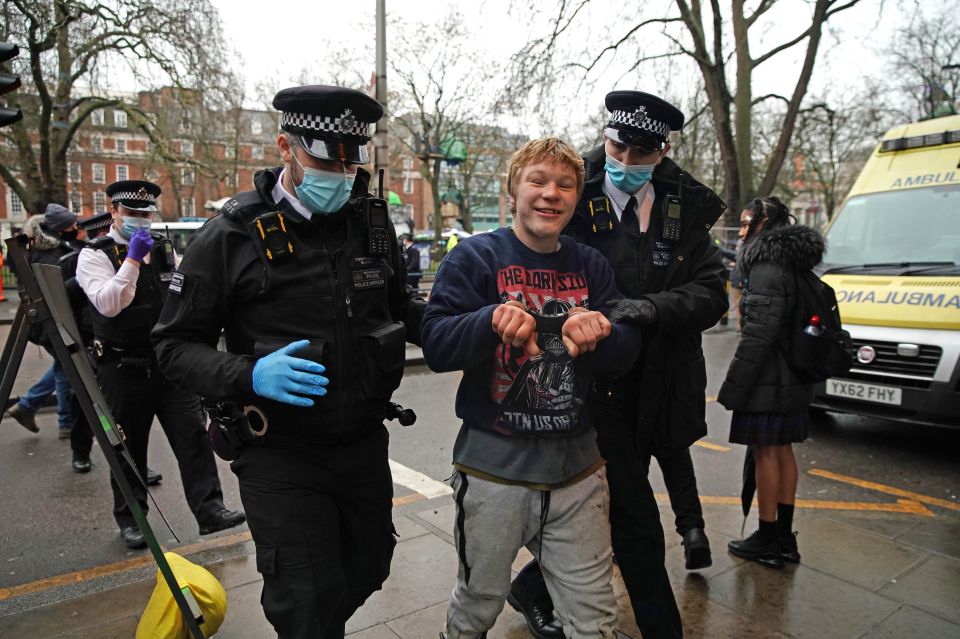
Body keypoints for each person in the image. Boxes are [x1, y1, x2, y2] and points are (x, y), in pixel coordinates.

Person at [152, 85, 426, 638]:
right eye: (328, 158)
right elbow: (173, 346)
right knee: (305, 600)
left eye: (354, 159)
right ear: (285, 146)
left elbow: (402, 306)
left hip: (363, 445)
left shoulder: (370, 226)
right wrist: (248, 373)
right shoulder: (231, 234)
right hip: (280, 452)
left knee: (370, 567)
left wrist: (466, 327)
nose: (343, 173)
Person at [509, 92, 728, 639]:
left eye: (642, 152)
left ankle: (534, 589)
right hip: (593, 388)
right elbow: (530, 266)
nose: (627, 163)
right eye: (618, 147)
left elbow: (711, 294)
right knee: (633, 518)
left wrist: (651, 308)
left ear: (664, 150)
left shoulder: (684, 209)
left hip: (663, 383)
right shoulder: (569, 200)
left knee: (604, 512)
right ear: (605, 140)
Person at [422, 137, 641, 639]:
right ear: (513, 192)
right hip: (493, 473)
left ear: (576, 197)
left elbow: (624, 352)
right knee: (478, 603)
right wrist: (487, 320)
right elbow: (435, 344)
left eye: (565, 184)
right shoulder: (475, 258)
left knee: (595, 616)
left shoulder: (591, 266)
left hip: (578, 476)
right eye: (537, 181)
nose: (551, 194)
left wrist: (602, 334)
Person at [76, 180, 245, 550]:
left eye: (146, 214)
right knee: (128, 447)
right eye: (132, 214)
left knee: (193, 437)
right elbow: (108, 303)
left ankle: (210, 510)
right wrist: (133, 260)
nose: (140, 221)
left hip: (168, 364)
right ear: (114, 212)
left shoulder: (164, 250)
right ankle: (132, 520)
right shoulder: (95, 254)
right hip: (123, 368)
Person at [718, 196, 823, 568]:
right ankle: (784, 537)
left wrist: (734, 386)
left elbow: (759, 334)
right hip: (793, 373)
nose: (742, 231)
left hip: (769, 377)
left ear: (765, 222)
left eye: (747, 223)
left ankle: (767, 535)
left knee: (766, 451)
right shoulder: (793, 261)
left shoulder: (765, 265)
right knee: (782, 451)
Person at [5, 204, 80, 437]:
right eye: (71, 225)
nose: (75, 228)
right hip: (49, 320)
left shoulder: (34, 247)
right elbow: (56, 290)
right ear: (58, 229)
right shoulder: (48, 254)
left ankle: (27, 406)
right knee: (65, 370)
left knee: (63, 366)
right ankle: (65, 422)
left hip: (44, 320)